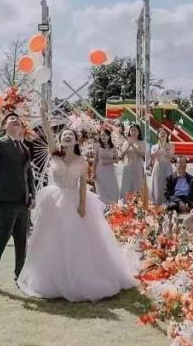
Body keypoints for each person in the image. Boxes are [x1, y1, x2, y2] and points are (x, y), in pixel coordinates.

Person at [17, 128, 136, 301]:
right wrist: (44, 119)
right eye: (64, 135)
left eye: (70, 135)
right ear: (61, 140)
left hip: (74, 199)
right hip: (54, 200)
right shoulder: (55, 156)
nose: (67, 136)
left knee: (75, 237)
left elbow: (82, 185)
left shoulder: (82, 161)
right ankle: (52, 276)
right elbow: (50, 141)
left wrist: (82, 205)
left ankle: (79, 275)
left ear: (76, 141)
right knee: (52, 238)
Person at [0, 113, 35, 293]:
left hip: (23, 202)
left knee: (22, 242)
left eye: (17, 119)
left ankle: (20, 276)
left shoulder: (24, 147)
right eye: (11, 119)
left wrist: (32, 195)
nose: (15, 121)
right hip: (6, 200)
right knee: (1, 240)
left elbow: (29, 175)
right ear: (4, 126)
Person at [92, 127, 120, 206]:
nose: (103, 137)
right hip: (99, 171)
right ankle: (102, 207)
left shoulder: (113, 147)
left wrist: (108, 161)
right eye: (102, 135)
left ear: (109, 137)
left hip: (110, 171)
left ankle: (112, 207)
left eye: (105, 135)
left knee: (111, 189)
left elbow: (117, 159)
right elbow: (95, 160)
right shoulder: (98, 146)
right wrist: (93, 172)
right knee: (101, 190)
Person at [119, 124, 147, 199]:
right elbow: (121, 156)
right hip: (127, 166)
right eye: (132, 130)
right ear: (129, 132)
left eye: (135, 130)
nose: (133, 132)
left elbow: (143, 155)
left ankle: (137, 203)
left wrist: (133, 146)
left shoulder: (142, 142)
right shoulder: (126, 142)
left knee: (137, 185)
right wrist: (128, 145)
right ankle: (126, 204)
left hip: (137, 167)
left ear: (138, 132)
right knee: (127, 186)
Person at [149, 128, 175, 206]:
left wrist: (166, 150)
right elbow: (152, 156)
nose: (163, 134)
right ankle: (157, 202)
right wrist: (159, 149)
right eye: (161, 133)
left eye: (164, 133)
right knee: (158, 184)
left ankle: (167, 202)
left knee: (167, 183)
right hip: (158, 166)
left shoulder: (171, 145)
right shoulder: (154, 146)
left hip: (167, 166)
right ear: (158, 135)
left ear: (167, 135)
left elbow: (171, 157)